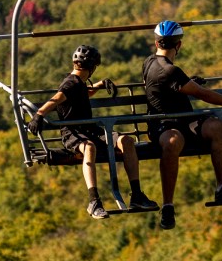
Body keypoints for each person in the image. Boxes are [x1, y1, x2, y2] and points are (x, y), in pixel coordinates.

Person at [26, 44, 159, 219]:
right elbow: (57, 98)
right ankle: (94, 201)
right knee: (89, 148)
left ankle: (136, 194)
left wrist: (100, 84)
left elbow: (83, 94)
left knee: (126, 141)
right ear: (93, 67)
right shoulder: (71, 83)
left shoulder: (78, 82)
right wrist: (39, 114)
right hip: (73, 133)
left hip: (91, 130)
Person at [142, 20, 222, 229]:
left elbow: (164, 85)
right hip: (163, 124)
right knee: (173, 142)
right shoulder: (172, 71)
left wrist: (187, 83)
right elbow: (204, 95)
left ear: (156, 44)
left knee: (216, 127)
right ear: (179, 45)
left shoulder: (149, 63)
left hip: (184, 121)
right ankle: (168, 206)